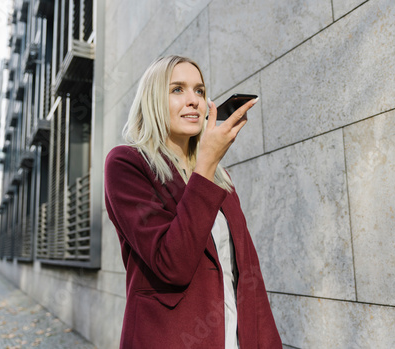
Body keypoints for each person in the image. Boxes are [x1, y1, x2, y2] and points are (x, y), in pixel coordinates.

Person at [104, 55, 282, 348]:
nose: (194, 100)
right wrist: (207, 163)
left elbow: (247, 273)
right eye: (177, 89)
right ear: (152, 100)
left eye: (199, 90)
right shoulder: (127, 164)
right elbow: (171, 264)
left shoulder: (219, 178)